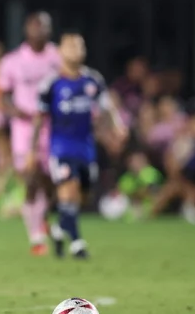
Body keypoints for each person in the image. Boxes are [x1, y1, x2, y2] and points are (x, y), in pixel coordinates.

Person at [27, 31, 126, 258]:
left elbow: (107, 108)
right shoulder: (51, 83)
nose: (76, 51)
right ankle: (77, 243)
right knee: (67, 189)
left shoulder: (93, 80)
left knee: (83, 195)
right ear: (60, 51)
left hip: (86, 147)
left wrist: (117, 127)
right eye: (70, 46)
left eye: (79, 46)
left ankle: (59, 227)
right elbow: (39, 119)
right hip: (61, 147)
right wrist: (32, 151)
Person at [0, 12, 60, 255]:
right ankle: (36, 235)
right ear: (27, 29)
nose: (40, 30)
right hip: (24, 130)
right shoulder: (13, 61)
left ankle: (45, 220)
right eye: (35, 26)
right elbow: (3, 96)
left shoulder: (57, 58)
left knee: (51, 181)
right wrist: (19, 112)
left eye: (44, 26)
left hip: (52, 127)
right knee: (31, 177)